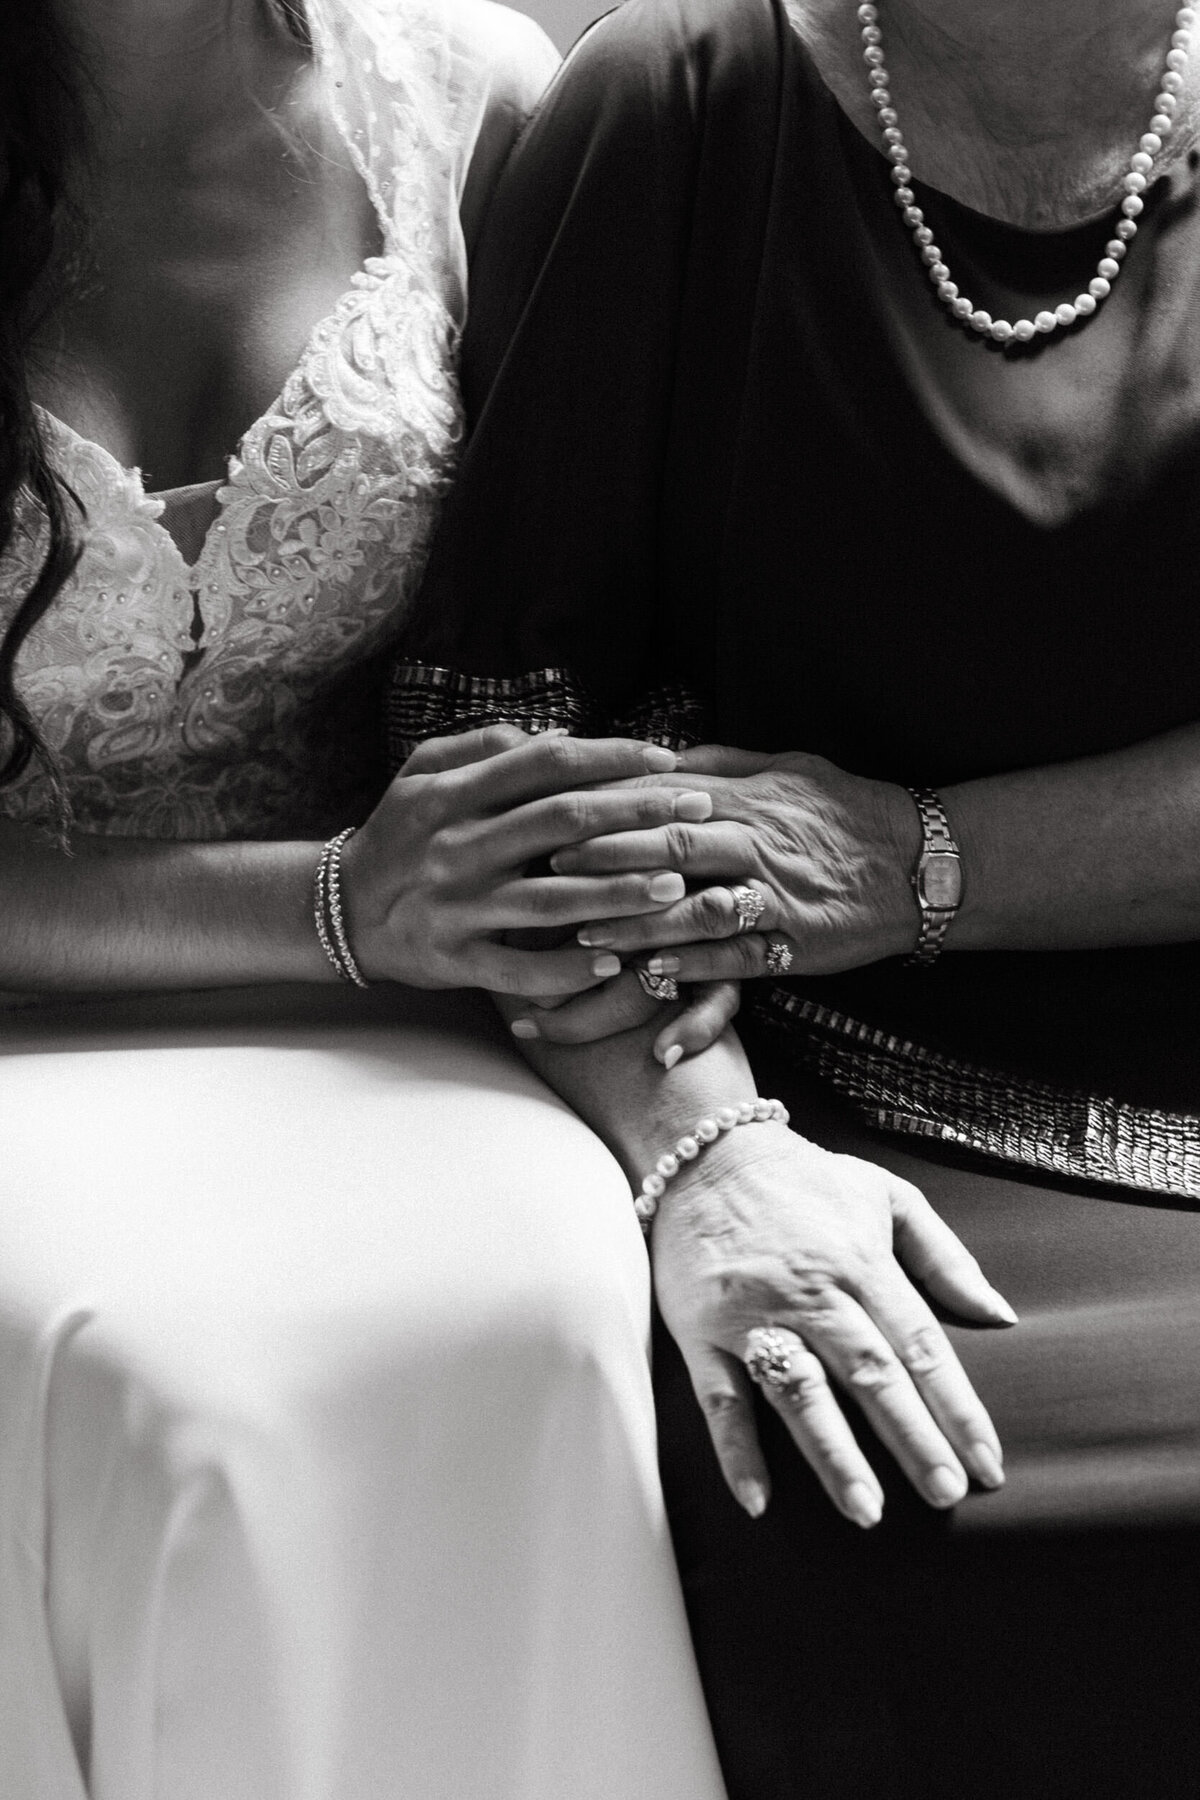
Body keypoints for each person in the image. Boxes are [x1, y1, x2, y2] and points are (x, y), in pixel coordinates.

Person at [396, 0, 1200, 1794]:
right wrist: (701, 1154)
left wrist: (924, 857)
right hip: (819, 1092)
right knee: (898, 1528)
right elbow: (504, 749)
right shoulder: (672, 107)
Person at [0, 2, 734, 1794]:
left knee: (537, 1311)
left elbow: (601, 659)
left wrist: (703, 1112)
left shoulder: (469, 99)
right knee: (176, 1379)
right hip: (65, 1004)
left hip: (408, 1016)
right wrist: (334, 901)